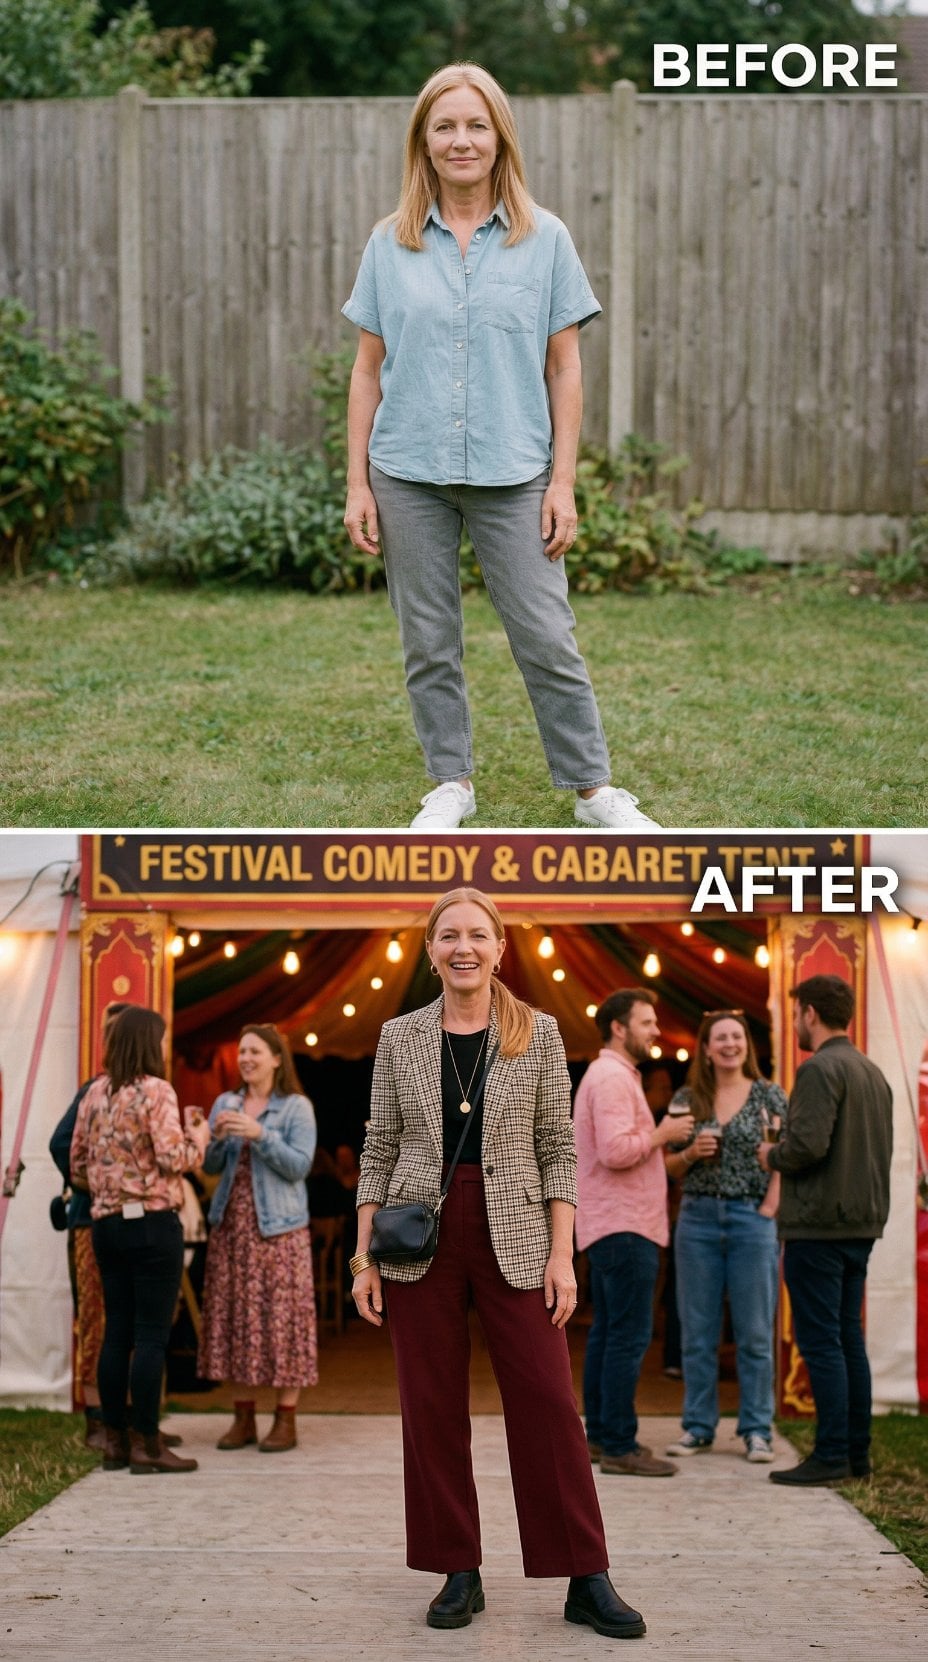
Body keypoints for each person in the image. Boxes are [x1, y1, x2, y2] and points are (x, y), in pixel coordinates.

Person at [342, 61, 660, 833]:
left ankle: (593, 792)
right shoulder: (389, 244)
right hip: (407, 471)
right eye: (445, 126)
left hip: (515, 471)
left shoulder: (545, 239)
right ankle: (450, 784)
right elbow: (367, 370)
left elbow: (565, 366)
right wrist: (357, 484)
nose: (461, 140)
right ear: (423, 141)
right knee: (429, 640)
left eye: (476, 125)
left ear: (500, 139)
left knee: (547, 636)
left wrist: (563, 481)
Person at [351, 887, 647, 1640]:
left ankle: (586, 1575)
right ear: (431, 950)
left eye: (478, 935)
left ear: (499, 948)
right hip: (417, 1235)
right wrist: (361, 1257)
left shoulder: (537, 1032)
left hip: (516, 1231)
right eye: (449, 935)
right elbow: (379, 1146)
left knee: (548, 1401)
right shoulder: (399, 1036)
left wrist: (562, 1255)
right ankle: (457, 1569)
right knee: (431, 1404)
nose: (464, 948)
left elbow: (557, 1149)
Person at [759, 975, 893, 1487]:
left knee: (821, 1343)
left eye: (797, 1013)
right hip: (861, 1224)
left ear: (810, 1013)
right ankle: (856, 1454)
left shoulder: (819, 1068)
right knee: (847, 1338)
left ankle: (832, 1454)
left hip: (818, 1225)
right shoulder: (872, 1071)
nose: (796, 1022)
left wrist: (771, 1153)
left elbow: (807, 1147)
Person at [69, 1005, 210, 1474]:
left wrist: (111, 1183)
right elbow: (173, 1159)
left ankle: (114, 1442)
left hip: (107, 1227)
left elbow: (76, 1165)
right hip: (152, 1223)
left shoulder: (93, 1093)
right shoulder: (157, 1091)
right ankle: (147, 1446)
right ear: (149, 1042)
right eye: (162, 1039)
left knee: (117, 1333)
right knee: (150, 1336)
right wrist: (199, 1138)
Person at [574, 991, 692, 1477]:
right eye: (647, 1022)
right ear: (619, 1028)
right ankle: (620, 1445)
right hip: (625, 1225)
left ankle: (602, 1437)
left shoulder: (612, 1075)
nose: (656, 1030)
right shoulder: (611, 1078)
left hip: (614, 1225)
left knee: (608, 1333)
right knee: (627, 1337)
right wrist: (664, 1134)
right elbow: (615, 1151)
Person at [663, 1011, 786, 1464]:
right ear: (707, 1049)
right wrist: (691, 1154)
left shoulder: (770, 1095)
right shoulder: (688, 1098)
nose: (730, 1044)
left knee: (754, 1332)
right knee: (697, 1332)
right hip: (697, 1218)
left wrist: (769, 1208)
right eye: (721, 1038)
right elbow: (667, 1165)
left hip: (751, 1218)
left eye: (737, 1036)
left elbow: (786, 1158)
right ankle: (698, 1427)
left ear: (746, 1044)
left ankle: (757, 1430)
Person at [198, 1024, 318, 1453]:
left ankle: (285, 1418)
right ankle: (243, 1417)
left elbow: (300, 1165)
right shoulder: (225, 1102)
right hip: (232, 1229)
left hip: (280, 1232)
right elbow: (210, 1166)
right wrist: (212, 1138)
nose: (246, 1058)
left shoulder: (296, 1107)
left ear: (276, 1059)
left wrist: (259, 1134)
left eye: (255, 1052)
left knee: (284, 1321)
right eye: (242, 1051)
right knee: (237, 1320)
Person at [49, 1001, 129, 1451]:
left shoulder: (145, 1091)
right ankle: (97, 1419)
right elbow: (60, 1143)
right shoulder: (93, 1090)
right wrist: (89, 1181)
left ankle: (130, 1417)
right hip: (89, 1219)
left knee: (131, 1322)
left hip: (133, 1224)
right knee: (97, 1319)